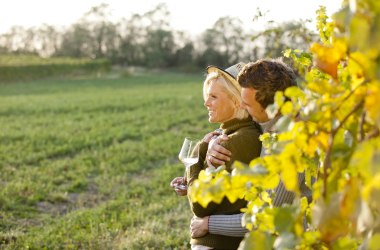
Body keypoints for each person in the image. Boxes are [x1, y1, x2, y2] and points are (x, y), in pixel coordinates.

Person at [190, 58, 312, 238]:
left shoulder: (287, 143)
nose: (243, 107)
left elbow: (266, 218)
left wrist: (209, 224)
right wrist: (212, 141)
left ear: (271, 107)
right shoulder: (269, 124)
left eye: (247, 104)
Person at [170, 62, 262, 250]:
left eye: (213, 96)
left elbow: (199, 205)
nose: (206, 102)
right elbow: (224, 194)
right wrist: (189, 183)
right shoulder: (237, 135)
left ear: (237, 101)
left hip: (217, 244)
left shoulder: (229, 143)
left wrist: (197, 152)